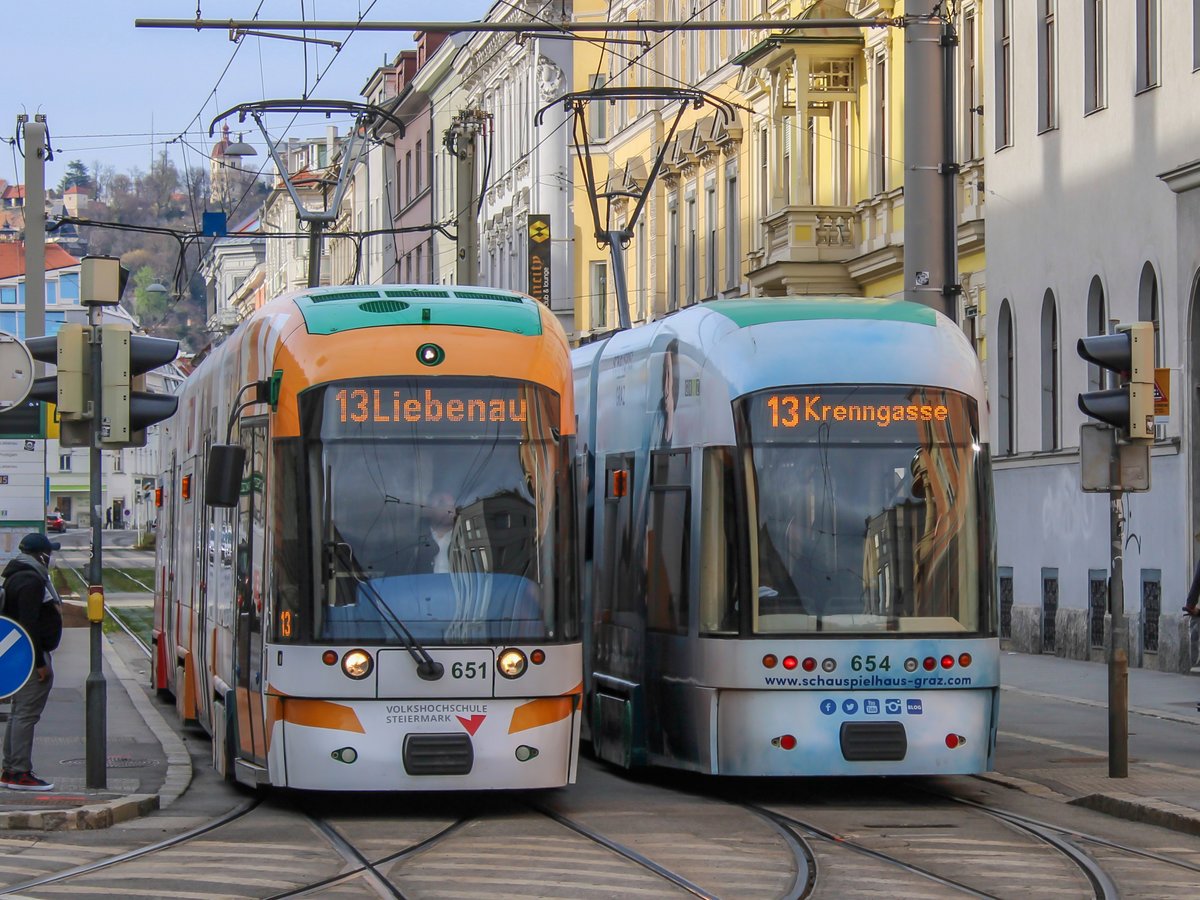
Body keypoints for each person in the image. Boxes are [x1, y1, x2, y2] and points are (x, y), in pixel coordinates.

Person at [1, 533, 63, 791]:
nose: (50, 557)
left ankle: (10, 769)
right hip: (28, 658)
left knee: (19, 714)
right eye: (49, 552)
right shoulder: (30, 580)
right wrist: (39, 662)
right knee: (25, 714)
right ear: (41, 555)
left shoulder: (20, 575)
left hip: (21, 656)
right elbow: (29, 623)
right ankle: (19, 772)